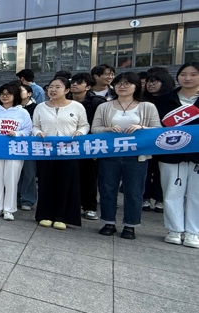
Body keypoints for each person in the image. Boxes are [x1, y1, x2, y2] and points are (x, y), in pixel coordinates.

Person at [91, 72, 161, 240]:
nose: (122, 86)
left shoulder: (147, 107)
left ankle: (130, 225)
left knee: (134, 191)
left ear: (136, 86)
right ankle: (108, 222)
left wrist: (141, 127)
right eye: (118, 83)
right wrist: (107, 129)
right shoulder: (104, 106)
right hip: (110, 155)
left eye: (127, 83)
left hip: (136, 156)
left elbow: (158, 130)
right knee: (107, 189)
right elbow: (95, 129)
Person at [32, 77, 90, 229]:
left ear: (67, 90)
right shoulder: (40, 107)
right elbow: (35, 126)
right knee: (46, 182)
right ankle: (45, 215)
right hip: (46, 151)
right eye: (51, 87)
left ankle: (62, 216)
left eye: (57, 87)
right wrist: (37, 132)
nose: (53, 90)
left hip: (69, 151)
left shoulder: (76, 107)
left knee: (66, 183)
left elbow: (84, 125)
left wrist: (80, 132)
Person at [152, 62, 199, 247]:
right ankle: (174, 229)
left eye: (193, 74)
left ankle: (193, 232)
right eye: (184, 74)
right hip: (170, 153)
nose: (187, 78)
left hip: (197, 155)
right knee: (172, 192)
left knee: (196, 194)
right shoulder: (164, 100)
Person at [0, 82, 32, 221]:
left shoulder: (22, 112)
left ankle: (9, 210)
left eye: (8, 94)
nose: (4, 96)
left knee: (11, 179)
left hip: (14, 150)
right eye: (2, 94)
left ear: (15, 95)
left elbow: (28, 130)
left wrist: (17, 133)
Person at [69, 73, 105, 220]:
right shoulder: (64, 100)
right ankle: (72, 205)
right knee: (70, 176)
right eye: (73, 82)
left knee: (88, 177)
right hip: (67, 145)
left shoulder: (97, 102)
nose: (74, 84)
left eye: (79, 82)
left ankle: (90, 207)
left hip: (89, 145)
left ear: (88, 86)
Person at [143, 70, 176, 211]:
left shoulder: (172, 101)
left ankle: (160, 199)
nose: (150, 85)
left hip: (167, 141)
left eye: (155, 82)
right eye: (149, 82)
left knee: (161, 172)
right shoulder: (142, 101)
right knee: (146, 169)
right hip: (146, 141)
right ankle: (145, 197)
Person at [17, 84, 37, 211]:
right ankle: (15, 198)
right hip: (13, 144)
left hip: (30, 145)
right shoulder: (13, 108)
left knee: (29, 173)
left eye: (21, 91)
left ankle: (27, 200)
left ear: (29, 94)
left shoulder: (36, 108)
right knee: (15, 173)